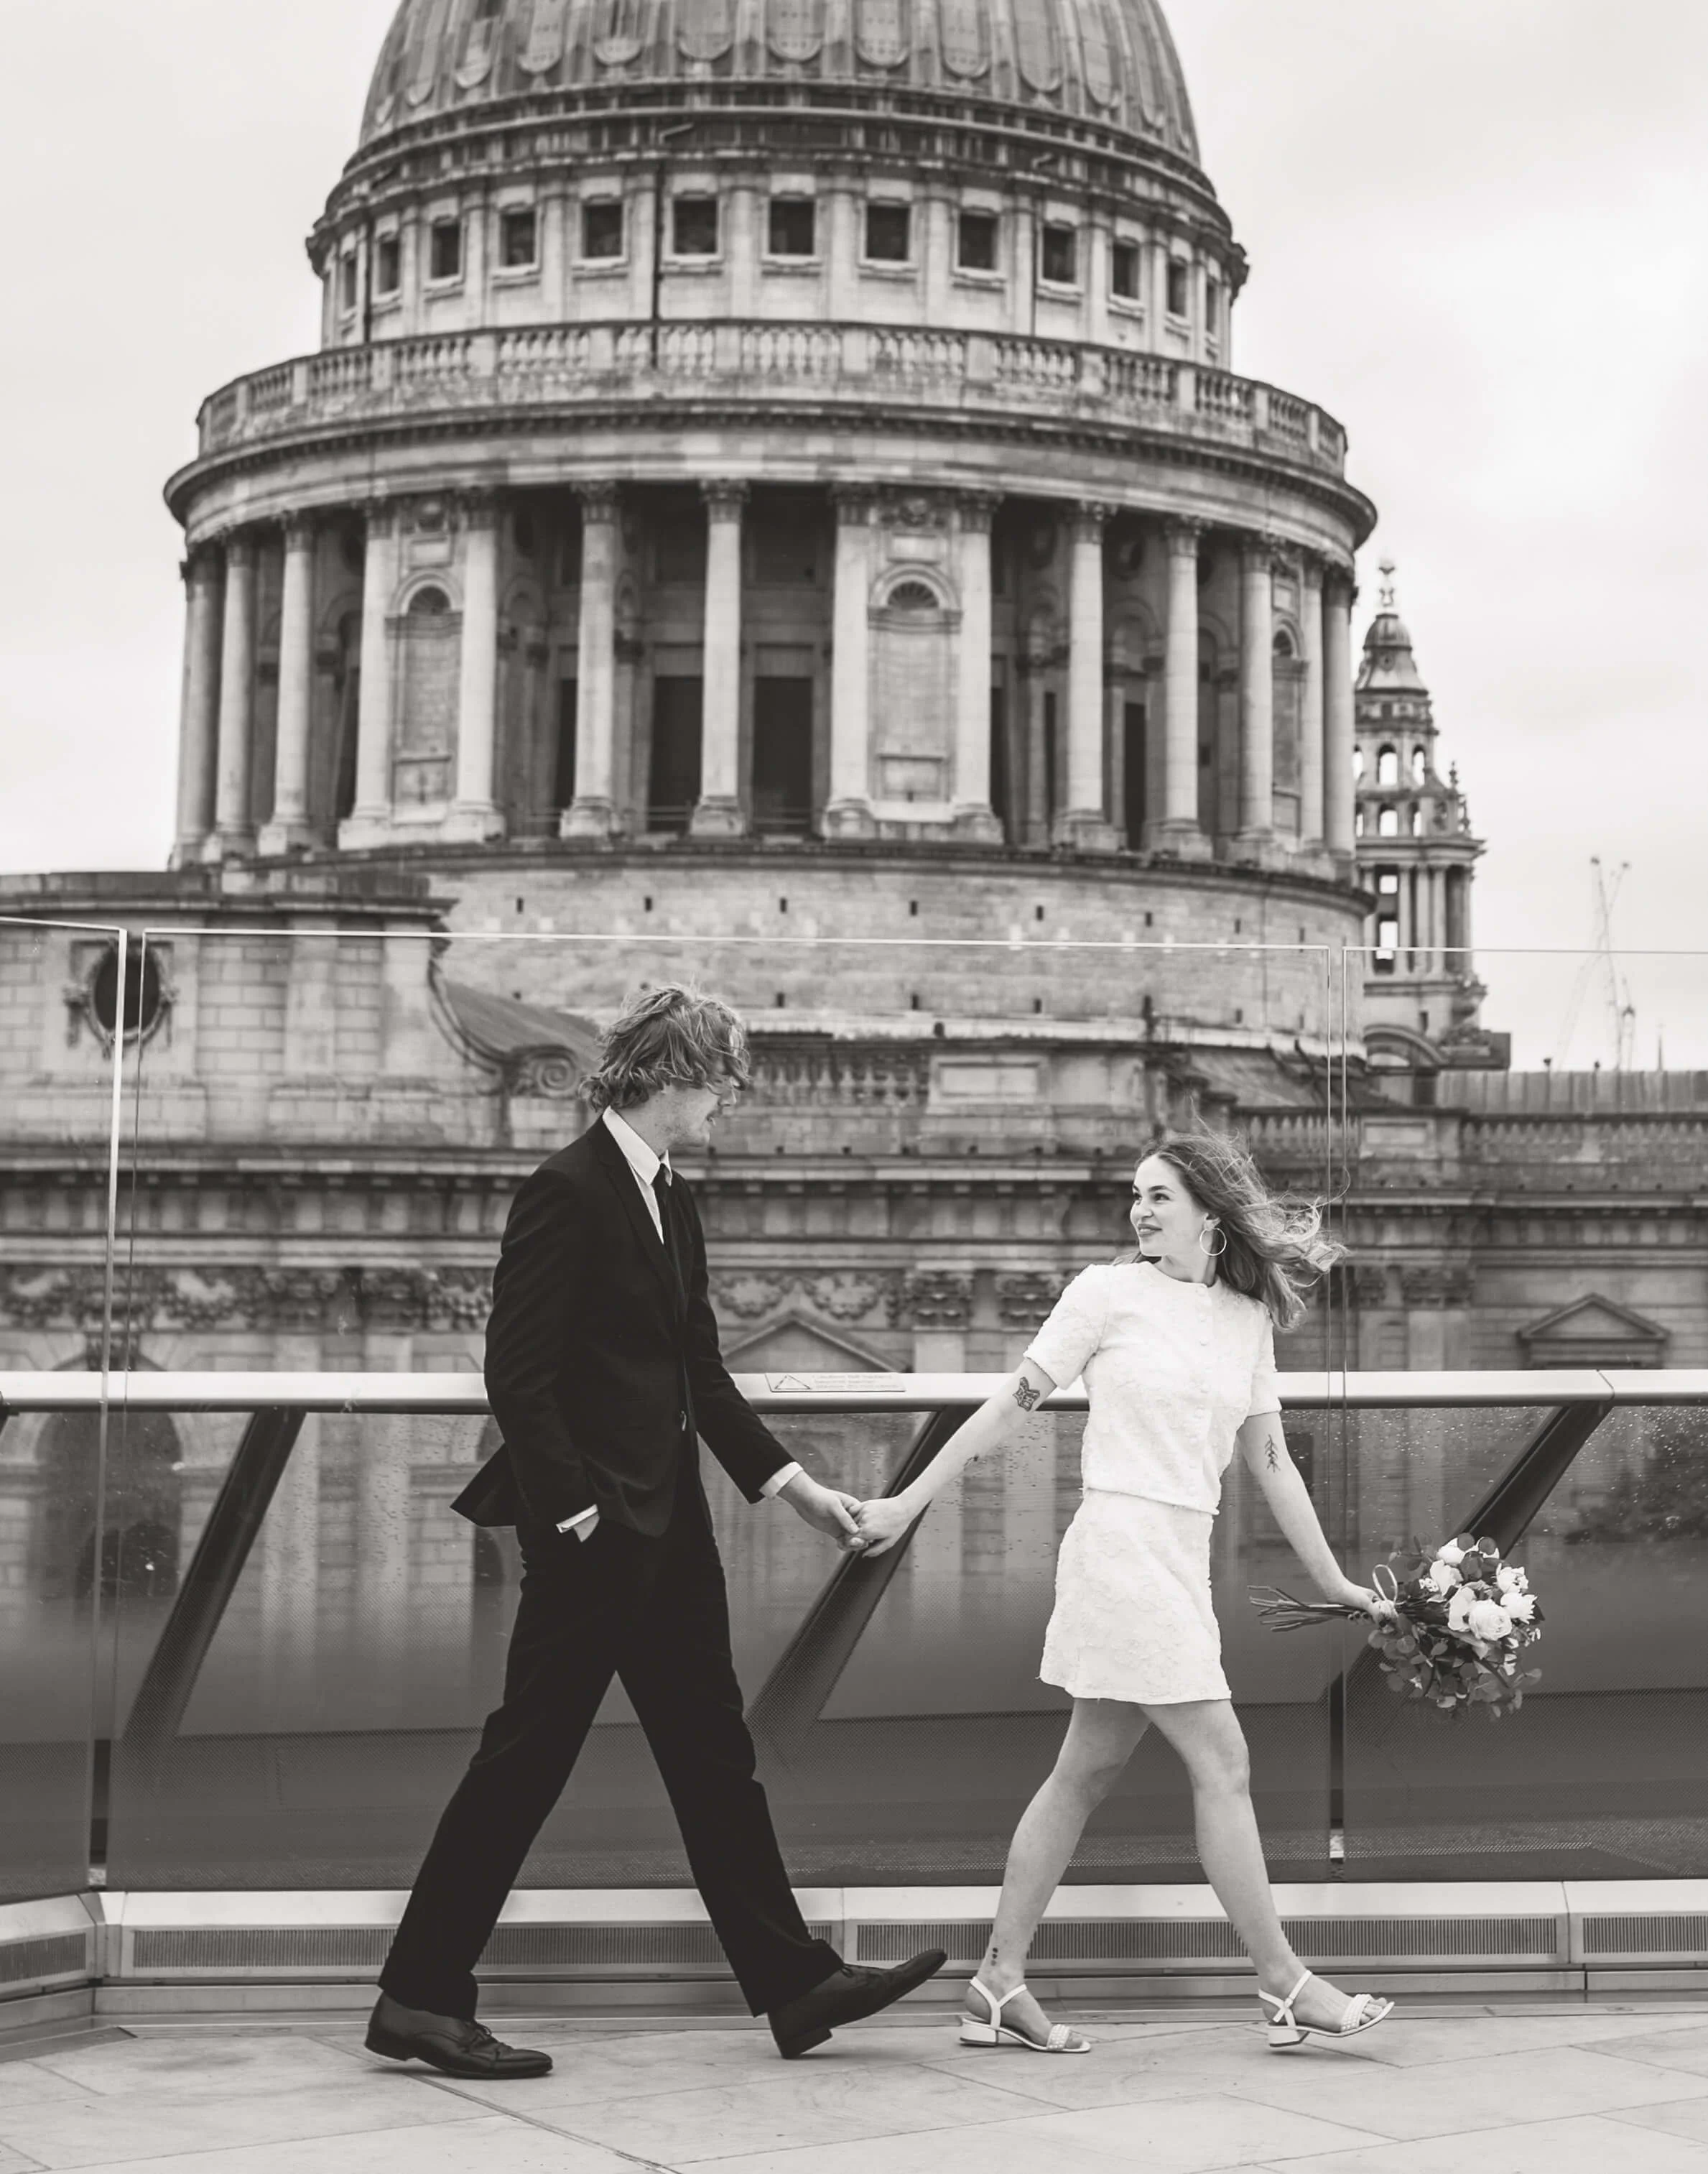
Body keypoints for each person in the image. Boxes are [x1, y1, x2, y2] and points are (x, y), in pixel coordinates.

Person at [368, 984, 943, 2079]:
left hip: (667, 1526)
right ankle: (419, 1997)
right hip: (598, 1535)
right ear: (674, 1078)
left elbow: (699, 1374)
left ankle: (793, 1982)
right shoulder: (567, 1189)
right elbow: (517, 1372)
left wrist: (795, 1488)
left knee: (712, 1759)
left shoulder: (668, 1195)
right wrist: (574, 1510)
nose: (727, 1101)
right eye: (720, 1080)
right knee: (523, 1763)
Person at [854, 1128, 1394, 2056]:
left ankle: (995, 1982)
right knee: (1220, 1757)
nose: (1138, 1210)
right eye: (1135, 1194)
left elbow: (1268, 1458)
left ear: (1210, 1213)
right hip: (1118, 1542)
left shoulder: (1244, 1317)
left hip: (1179, 1552)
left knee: (1083, 1772)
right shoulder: (1103, 1294)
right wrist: (906, 1501)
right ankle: (1283, 1981)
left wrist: (1336, 1581)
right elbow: (1004, 1405)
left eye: (1159, 1196)